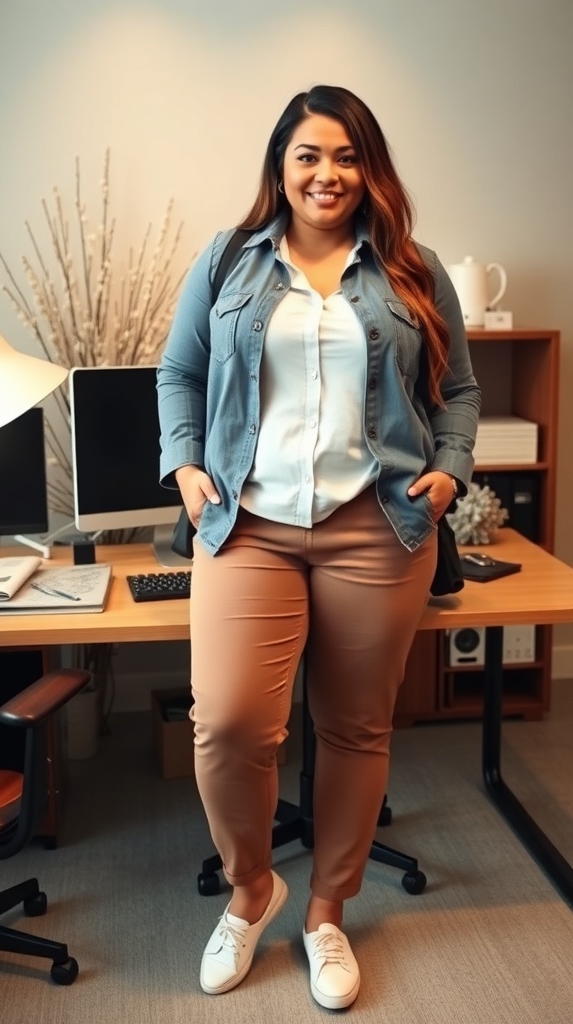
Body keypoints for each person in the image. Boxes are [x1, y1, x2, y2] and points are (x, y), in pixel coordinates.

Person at [156, 84, 480, 1010]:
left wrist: (450, 468)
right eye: (309, 155)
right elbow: (177, 372)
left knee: (354, 729)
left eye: (345, 156)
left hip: (376, 526)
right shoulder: (228, 262)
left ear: (367, 167)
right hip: (247, 524)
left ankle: (328, 912)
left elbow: (458, 389)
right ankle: (254, 891)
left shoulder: (412, 267)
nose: (327, 173)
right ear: (282, 166)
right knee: (225, 725)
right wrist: (183, 467)